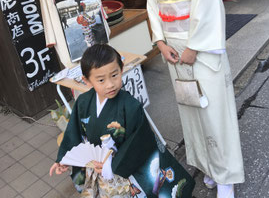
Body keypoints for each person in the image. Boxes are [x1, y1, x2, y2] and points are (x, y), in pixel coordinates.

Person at [138, 0, 244, 198]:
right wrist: (160, 42)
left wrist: (194, 48)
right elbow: (153, 8)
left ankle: (226, 177)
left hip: (199, 49)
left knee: (213, 112)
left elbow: (208, 7)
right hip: (173, 50)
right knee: (191, 111)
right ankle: (209, 166)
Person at [49, 44, 195, 198]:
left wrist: (110, 165)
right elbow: (74, 132)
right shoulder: (83, 102)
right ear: (87, 81)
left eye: (114, 75)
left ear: (121, 68)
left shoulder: (130, 106)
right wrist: (64, 158)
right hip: (99, 170)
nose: (110, 84)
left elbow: (139, 142)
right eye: (101, 80)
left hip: (123, 170)